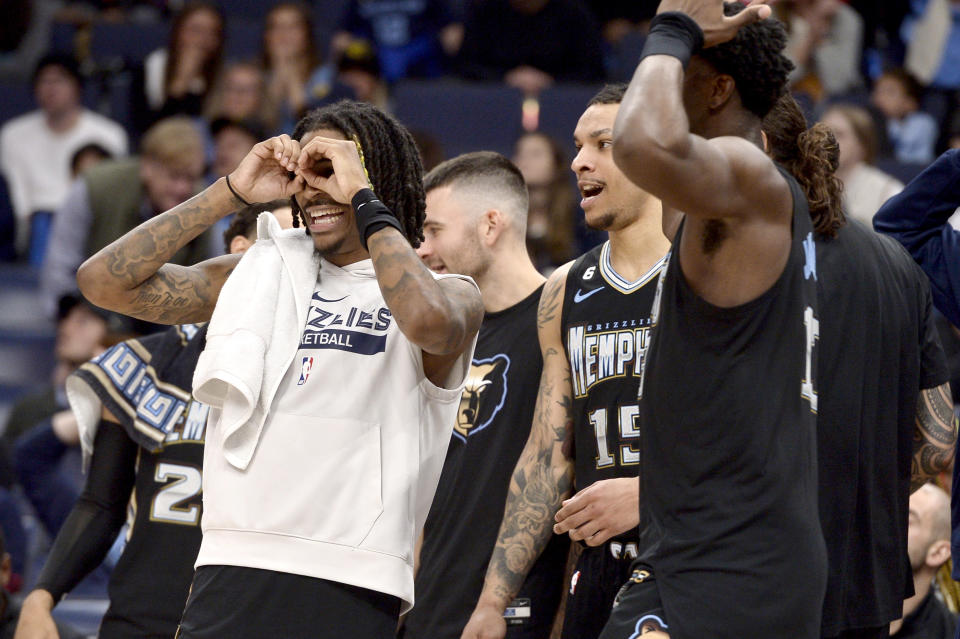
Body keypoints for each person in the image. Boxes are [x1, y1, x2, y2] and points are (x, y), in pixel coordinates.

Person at [76, 99, 483, 638]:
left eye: (330, 169)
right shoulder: (261, 271)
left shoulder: (450, 292)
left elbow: (430, 324)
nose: (315, 189)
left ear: (374, 175)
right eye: (305, 174)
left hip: (350, 571)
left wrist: (362, 195)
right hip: (231, 556)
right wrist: (231, 193)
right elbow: (103, 282)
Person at [599, 2, 825, 637]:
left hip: (727, 566)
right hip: (733, 554)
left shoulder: (749, 172)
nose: (663, 77)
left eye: (682, 70)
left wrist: (673, 29)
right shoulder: (759, 200)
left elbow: (638, 143)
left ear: (718, 87)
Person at [13, 201, 294, 639]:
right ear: (240, 248)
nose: (298, 256)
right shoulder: (146, 364)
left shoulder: (312, 372)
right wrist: (42, 594)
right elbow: (101, 503)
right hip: (141, 621)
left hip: (253, 621)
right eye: (284, 238)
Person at [461, 83, 671, 639]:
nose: (579, 161)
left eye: (603, 143)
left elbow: (762, 436)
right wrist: (493, 600)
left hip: (691, 549)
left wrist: (651, 494)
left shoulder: (705, 276)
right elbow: (546, 457)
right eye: (578, 146)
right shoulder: (565, 288)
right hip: (598, 562)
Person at [764, 93, 955, 639]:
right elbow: (937, 441)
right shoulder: (896, 262)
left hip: (759, 568)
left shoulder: (739, 258)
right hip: (868, 574)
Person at [404, 152, 569, 639]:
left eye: (433, 231)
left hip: (510, 618)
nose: (421, 250)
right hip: (426, 609)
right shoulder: (440, 339)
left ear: (491, 225)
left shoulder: (562, 323)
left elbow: (565, 473)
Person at [40, 116, 208, 318]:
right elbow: (60, 268)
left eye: (190, 178)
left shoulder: (203, 203)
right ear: (147, 166)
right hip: (89, 314)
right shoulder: (96, 187)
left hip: (166, 325)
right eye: (173, 176)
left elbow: (209, 282)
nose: (183, 188)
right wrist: (73, 316)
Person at [0, 53, 127, 255]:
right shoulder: (12, 134)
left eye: (59, 80)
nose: (51, 89)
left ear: (78, 86)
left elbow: (112, 196)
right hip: (29, 228)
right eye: (44, 81)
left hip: (88, 226)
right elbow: (14, 195)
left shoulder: (109, 134)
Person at [457, 0, 605, 95]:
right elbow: (466, 65)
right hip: (495, 99)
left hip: (561, 99)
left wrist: (551, 82)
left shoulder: (574, 14)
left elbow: (591, 70)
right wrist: (506, 77)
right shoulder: (485, 12)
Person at [134, 1, 224, 133]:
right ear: (177, 32)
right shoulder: (151, 66)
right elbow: (148, 129)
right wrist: (181, 82)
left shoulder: (223, 77)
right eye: (196, 30)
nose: (203, 40)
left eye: (212, 33)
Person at [890, 484, 958, 639]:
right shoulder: (840, 613)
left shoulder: (948, 633)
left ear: (939, 553)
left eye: (906, 519)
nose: (888, 526)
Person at [820, 104, 903, 226]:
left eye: (839, 134)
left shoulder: (889, 192)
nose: (825, 140)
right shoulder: (804, 185)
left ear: (862, 145)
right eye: (821, 133)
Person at [871, 68, 939, 165]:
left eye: (890, 93)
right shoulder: (874, 121)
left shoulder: (923, 122)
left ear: (910, 102)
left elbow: (905, 146)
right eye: (877, 92)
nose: (880, 98)